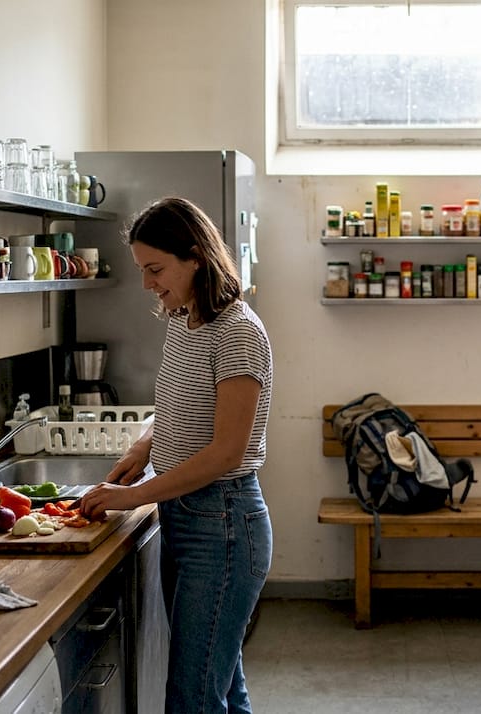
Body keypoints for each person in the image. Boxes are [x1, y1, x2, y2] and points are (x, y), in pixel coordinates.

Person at [76, 196, 273, 714]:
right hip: (185, 516)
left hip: (225, 526)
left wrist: (133, 496)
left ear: (196, 257)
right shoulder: (184, 320)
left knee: (192, 699)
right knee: (221, 687)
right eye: (143, 270)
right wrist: (147, 445)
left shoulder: (239, 334)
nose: (148, 284)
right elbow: (181, 408)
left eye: (156, 269)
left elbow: (228, 451)